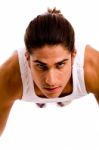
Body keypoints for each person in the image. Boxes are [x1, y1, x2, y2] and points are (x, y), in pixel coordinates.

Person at [0, 7, 99, 136]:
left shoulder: (93, 68)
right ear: (27, 59)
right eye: (41, 66)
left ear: (74, 56)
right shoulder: (9, 77)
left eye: (60, 64)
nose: (51, 81)